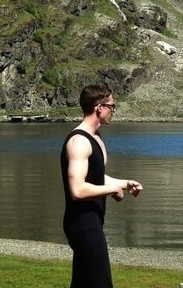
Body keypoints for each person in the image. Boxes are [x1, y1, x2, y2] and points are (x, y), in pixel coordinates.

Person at [60, 84, 143, 288]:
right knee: (100, 282)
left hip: (94, 220)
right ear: (99, 108)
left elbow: (96, 178)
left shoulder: (96, 138)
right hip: (81, 224)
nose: (114, 111)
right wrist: (111, 190)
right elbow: (78, 190)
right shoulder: (79, 141)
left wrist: (123, 184)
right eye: (112, 106)